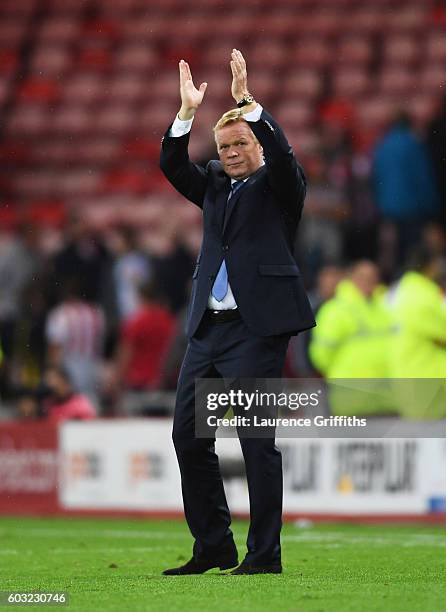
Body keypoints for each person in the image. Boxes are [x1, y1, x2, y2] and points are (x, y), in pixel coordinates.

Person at [159, 49, 315, 575]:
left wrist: (247, 103)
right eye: (222, 146)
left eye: (239, 143)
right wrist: (186, 115)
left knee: (255, 442)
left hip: (256, 330)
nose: (229, 153)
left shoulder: (280, 186)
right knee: (188, 437)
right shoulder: (215, 188)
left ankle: (264, 555)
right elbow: (172, 165)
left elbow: (285, 156)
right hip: (207, 331)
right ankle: (214, 547)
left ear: (256, 143)